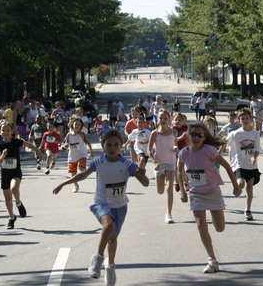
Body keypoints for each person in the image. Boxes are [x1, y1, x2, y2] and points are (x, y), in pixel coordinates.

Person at [53, 130, 149, 286]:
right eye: (109, 144)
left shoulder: (126, 164)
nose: (112, 147)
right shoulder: (98, 162)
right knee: (108, 225)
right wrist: (62, 184)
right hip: (100, 203)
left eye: (116, 145)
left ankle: (110, 267)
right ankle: (97, 259)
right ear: (103, 146)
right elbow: (82, 175)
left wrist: (142, 173)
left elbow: (144, 183)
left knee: (112, 238)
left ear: (121, 146)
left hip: (119, 205)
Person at [176, 122, 241, 273]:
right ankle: (212, 260)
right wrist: (182, 191)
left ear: (204, 138)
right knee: (201, 225)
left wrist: (235, 186)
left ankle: (216, 224)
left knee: (220, 228)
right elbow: (179, 171)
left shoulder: (209, 151)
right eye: (193, 134)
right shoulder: (184, 153)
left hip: (212, 191)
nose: (196, 137)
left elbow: (226, 165)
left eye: (200, 135)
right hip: (195, 192)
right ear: (188, 136)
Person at [0, 121, 44, 229]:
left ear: (12, 131)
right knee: (8, 199)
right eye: (3, 130)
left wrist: (39, 153)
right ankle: (11, 218)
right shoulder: (0, 145)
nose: (5, 132)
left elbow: (29, 145)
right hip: (5, 174)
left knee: (14, 188)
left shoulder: (16, 142)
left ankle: (18, 203)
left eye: (8, 130)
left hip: (15, 172)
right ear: (0, 132)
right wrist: (3, 155)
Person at [226, 108, 262, 221]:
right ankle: (236, 187)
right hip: (240, 164)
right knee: (241, 185)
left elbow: (257, 149)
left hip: (251, 165)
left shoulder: (255, 133)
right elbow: (225, 142)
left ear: (251, 119)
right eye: (242, 119)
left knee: (250, 188)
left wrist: (254, 157)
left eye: (247, 118)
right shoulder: (235, 134)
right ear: (239, 121)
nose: (245, 120)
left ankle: (247, 209)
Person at [148, 109, 178, 223]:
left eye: (165, 118)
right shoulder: (154, 133)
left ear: (169, 120)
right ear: (158, 119)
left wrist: (175, 148)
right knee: (160, 190)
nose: (163, 120)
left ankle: (169, 214)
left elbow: (174, 144)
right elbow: (149, 150)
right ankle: (162, 184)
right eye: (161, 118)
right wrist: (154, 162)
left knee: (169, 188)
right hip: (159, 164)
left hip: (171, 162)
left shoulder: (174, 132)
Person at [62, 118, 94, 193]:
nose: (77, 125)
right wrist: (65, 146)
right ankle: (75, 185)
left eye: (79, 124)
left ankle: (88, 171)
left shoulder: (82, 134)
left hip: (81, 154)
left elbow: (88, 143)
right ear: (72, 125)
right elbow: (65, 144)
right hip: (72, 156)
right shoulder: (69, 135)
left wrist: (91, 152)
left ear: (81, 126)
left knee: (81, 168)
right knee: (73, 173)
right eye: (76, 124)